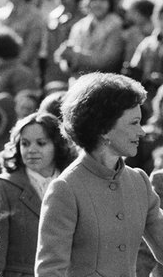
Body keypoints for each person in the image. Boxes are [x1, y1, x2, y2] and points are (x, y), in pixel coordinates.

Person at [35, 72, 163, 276]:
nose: (142, 131)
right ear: (103, 128)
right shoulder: (65, 189)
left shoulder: (139, 181)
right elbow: (49, 271)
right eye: (133, 123)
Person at [0, 112, 75, 276]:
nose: (32, 150)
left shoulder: (73, 182)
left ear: (57, 145)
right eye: (25, 143)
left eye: (41, 143)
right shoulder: (2, 187)